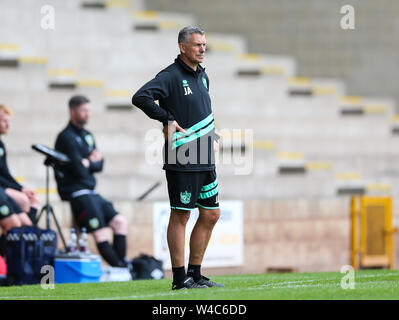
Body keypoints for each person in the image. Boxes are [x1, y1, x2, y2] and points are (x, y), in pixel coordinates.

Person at [132, 26, 224, 290]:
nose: (202, 49)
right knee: (181, 215)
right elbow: (140, 97)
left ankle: (195, 274)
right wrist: (167, 119)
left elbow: (202, 110)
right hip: (183, 155)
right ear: (182, 47)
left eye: (204, 45)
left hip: (205, 154)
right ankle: (178, 278)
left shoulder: (203, 76)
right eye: (197, 45)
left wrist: (212, 137)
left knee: (211, 214)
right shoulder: (170, 76)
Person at [54, 95, 128, 268]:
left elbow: (100, 164)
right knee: (101, 233)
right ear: (73, 111)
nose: (88, 114)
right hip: (77, 193)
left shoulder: (88, 135)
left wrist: (87, 162)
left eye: (89, 110)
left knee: (120, 222)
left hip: (92, 191)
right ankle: (122, 268)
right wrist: (88, 162)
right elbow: (79, 170)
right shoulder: (66, 137)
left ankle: (122, 265)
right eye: (83, 110)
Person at [0, 105, 38, 225]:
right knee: (23, 201)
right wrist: (19, 190)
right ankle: (27, 236)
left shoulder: (1, 144)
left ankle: (26, 237)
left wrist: (22, 188)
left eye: (9, 121)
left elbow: (5, 173)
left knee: (33, 200)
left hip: (3, 188)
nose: (8, 125)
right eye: (4, 121)